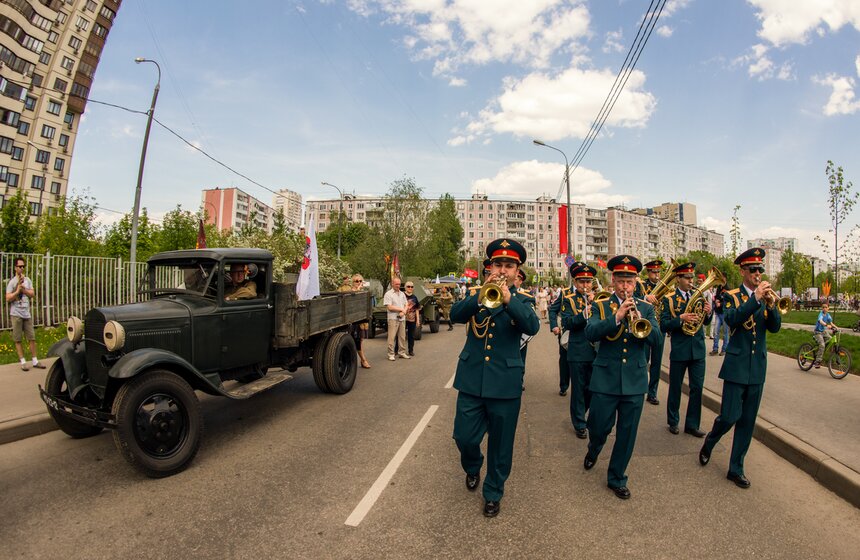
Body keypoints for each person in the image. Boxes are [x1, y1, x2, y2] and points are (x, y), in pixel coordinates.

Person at [450, 238, 540, 518]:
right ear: (489, 267)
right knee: (463, 437)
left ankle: (493, 492)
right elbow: (454, 315)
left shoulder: (523, 300)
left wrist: (509, 299)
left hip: (505, 383)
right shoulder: (478, 293)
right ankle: (473, 464)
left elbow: (532, 326)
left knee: (501, 445)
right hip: (472, 379)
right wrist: (479, 296)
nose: (503, 270)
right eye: (498, 264)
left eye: (509, 266)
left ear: (517, 270)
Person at [699, 248, 782, 489]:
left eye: (760, 270)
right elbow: (732, 320)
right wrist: (755, 298)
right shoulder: (730, 295)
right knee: (729, 416)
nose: (758, 273)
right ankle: (711, 441)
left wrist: (772, 305)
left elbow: (775, 327)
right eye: (753, 270)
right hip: (736, 366)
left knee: (747, 421)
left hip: (757, 367)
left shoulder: (765, 297)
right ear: (742, 271)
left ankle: (736, 468)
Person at [583, 255, 662, 500]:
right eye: (620, 281)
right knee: (598, 427)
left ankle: (616, 477)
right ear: (613, 281)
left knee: (627, 434)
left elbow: (658, 340)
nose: (625, 286)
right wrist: (617, 317)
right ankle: (594, 448)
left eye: (629, 281)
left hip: (635, 380)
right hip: (605, 378)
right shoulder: (601, 305)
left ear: (636, 282)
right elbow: (591, 332)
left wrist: (640, 324)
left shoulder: (646, 308)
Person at [661, 262, 711, 437]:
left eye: (692, 277)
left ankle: (692, 424)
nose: (691, 281)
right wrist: (681, 318)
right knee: (675, 386)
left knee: (697, 388)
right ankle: (673, 421)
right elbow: (663, 325)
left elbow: (704, 322)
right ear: (678, 279)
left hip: (697, 349)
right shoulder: (669, 299)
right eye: (687, 278)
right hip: (680, 349)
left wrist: (708, 312)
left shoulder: (698, 296)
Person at [560, 262, 597, 439]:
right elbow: (567, 323)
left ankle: (583, 412)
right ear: (575, 282)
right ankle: (579, 423)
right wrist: (584, 314)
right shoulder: (569, 300)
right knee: (578, 389)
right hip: (577, 350)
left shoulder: (599, 299)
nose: (585, 285)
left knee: (592, 388)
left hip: (596, 351)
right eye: (582, 281)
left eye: (588, 281)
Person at [6, 257, 45, 371]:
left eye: (23, 266)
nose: (21, 268)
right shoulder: (12, 282)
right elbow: (7, 297)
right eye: (19, 266)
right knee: (18, 339)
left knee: (31, 337)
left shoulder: (27, 280)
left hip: (26, 313)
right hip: (16, 313)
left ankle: (35, 360)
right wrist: (17, 291)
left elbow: (32, 294)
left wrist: (24, 290)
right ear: (15, 268)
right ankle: (23, 362)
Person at [636, 259, 665, 406]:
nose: (657, 274)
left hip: (658, 328)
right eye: (654, 272)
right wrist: (645, 298)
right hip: (644, 327)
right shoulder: (641, 285)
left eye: (659, 272)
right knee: (643, 359)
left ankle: (652, 392)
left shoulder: (664, 287)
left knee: (657, 362)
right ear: (648, 272)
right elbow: (633, 299)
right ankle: (640, 387)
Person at [548, 279, 574, 396]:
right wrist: (554, 326)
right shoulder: (565, 293)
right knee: (565, 360)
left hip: (586, 334)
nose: (585, 284)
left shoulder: (591, 294)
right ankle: (564, 386)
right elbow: (553, 310)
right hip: (567, 333)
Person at [383, 277, 410, 361]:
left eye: (399, 284)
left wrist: (404, 311)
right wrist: (401, 310)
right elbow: (389, 307)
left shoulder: (402, 294)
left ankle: (402, 352)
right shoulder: (388, 294)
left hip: (402, 318)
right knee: (392, 337)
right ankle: (391, 354)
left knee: (402, 337)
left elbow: (406, 304)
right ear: (392, 284)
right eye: (396, 284)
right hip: (393, 318)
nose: (398, 286)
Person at [352, 274, 371, 369]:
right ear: (353, 282)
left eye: (360, 281)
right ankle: (363, 360)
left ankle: (360, 359)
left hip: (362, 319)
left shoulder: (363, 292)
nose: (358, 283)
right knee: (358, 341)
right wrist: (359, 289)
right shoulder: (351, 292)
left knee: (361, 340)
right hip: (354, 320)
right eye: (356, 281)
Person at [813, 302, 837, 368]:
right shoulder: (821, 314)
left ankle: (822, 352)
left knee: (830, 339)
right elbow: (820, 321)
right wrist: (826, 325)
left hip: (823, 332)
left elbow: (831, 323)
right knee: (822, 344)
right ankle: (817, 361)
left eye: (826, 307)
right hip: (817, 332)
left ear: (828, 308)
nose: (824, 309)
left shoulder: (828, 315)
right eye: (823, 307)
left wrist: (837, 328)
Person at [710, 284, 730, 356]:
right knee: (716, 331)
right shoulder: (718, 288)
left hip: (724, 313)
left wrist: (720, 304)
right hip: (718, 313)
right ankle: (715, 349)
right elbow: (716, 297)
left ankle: (724, 349)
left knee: (725, 333)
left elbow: (728, 301)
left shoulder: (727, 288)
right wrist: (715, 300)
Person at [404, 281, 421, 356]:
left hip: (412, 319)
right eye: (408, 286)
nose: (410, 288)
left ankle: (410, 350)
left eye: (411, 287)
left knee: (411, 336)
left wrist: (417, 320)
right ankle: (396, 349)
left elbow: (417, 309)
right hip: (403, 319)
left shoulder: (414, 297)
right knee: (400, 335)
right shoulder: (402, 296)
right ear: (405, 287)